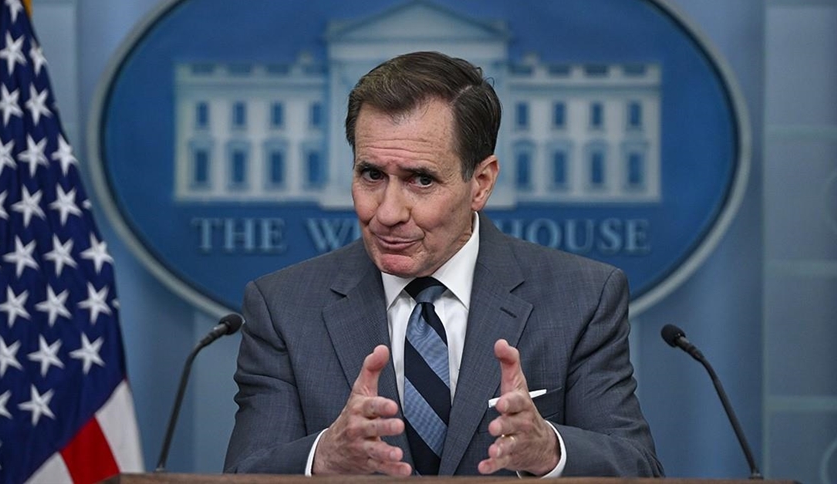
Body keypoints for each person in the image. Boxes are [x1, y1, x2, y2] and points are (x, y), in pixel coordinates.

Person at [223, 51, 663, 477]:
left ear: (481, 183)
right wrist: (323, 457)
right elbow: (245, 474)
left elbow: (637, 467)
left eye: (421, 179)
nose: (388, 212)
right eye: (372, 175)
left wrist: (548, 450)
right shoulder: (283, 307)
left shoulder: (582, 298)